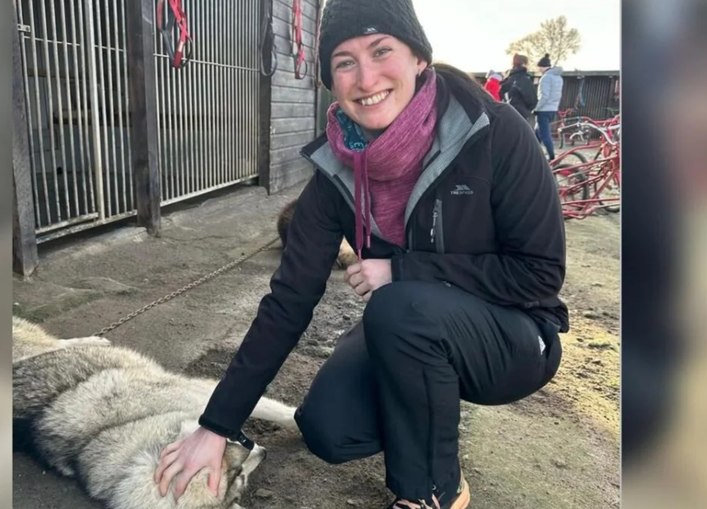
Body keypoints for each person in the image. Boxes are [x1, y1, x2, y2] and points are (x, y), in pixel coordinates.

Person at [154, 0, 568, 507]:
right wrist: (216, 425)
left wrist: (400, 270)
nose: (366, 77)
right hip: (413, 327)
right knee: (329, 430)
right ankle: (428, 413)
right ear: (330, 78)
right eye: (345, 62)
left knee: (400, 308)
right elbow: (288, 302)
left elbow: (540, 275)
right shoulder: (337, 171)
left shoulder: (496, 132)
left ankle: (433, 491)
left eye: (381, 51)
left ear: (418, 57)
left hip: (514, 337)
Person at [533, 53, 564, 161]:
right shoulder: (558, 78)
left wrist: (536, 108)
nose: (539, 69)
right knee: (536, 132)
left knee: (545, 134)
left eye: (539, 67)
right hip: (553, 109)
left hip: (543, 109)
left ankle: (552, 157)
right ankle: (534, 152)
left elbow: (544, 96)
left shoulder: (545, 78)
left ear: (542, 66)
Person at [498, 54, 537, 125]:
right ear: (524, 64)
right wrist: (529, 109)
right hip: (521, 113)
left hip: (507, 111)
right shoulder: (524, 79)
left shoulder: (508, 79)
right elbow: (531, 99)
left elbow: (500, 93)